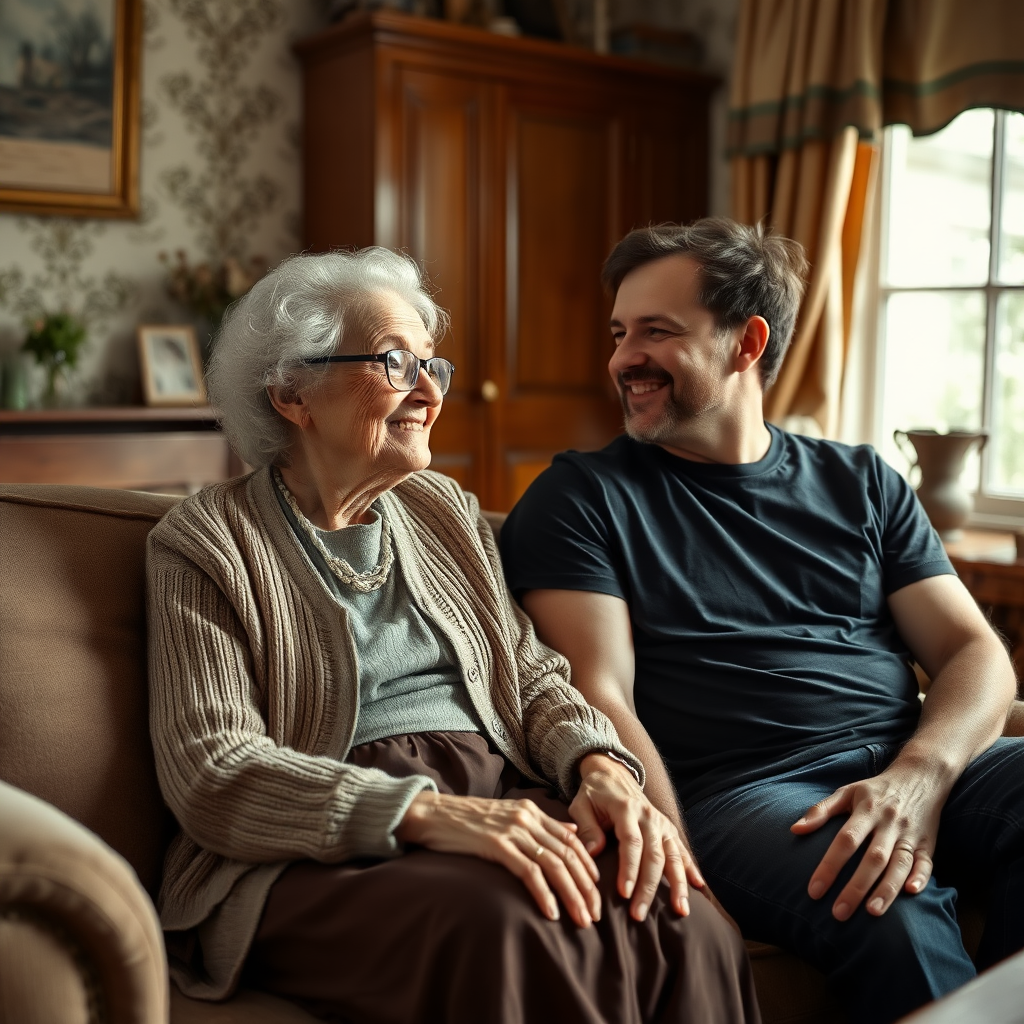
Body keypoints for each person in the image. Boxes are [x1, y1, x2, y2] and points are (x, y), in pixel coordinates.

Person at [145, 246, 760, 1024]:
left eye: (434, 367)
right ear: (292, 393)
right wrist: (429, 813)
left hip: (501, 794)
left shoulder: (444, 512)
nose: (428, 392)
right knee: (512, 922)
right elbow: (214, 770)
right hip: (319, 845)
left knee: (682, 915)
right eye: (397, 363)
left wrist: (600, 764)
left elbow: (532, 677)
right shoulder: (204, 543)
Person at [500, 217, 1024, 1024]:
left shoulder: (862, 482)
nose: (621, 359)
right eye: (618, 333)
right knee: (881, 900)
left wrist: (920, 776)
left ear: (746, 342)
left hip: (899, 762)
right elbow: (599, 694)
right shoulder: (582, 498)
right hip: (746, 794)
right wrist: (673, 851)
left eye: (656, 332)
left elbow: (973, 653)